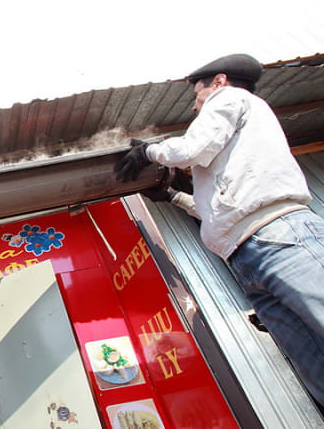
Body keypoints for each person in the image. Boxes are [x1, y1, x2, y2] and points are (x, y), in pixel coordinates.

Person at [115, 53, 324, 405]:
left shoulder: (229, 98)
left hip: (278, 236)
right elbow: (221, 208)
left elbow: (192, 149)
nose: (195, 106)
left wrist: (149, 151)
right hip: (249, 253)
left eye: (196, 95)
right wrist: (173, 197)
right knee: (312, 365)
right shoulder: (236, 138)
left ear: (219, 81)